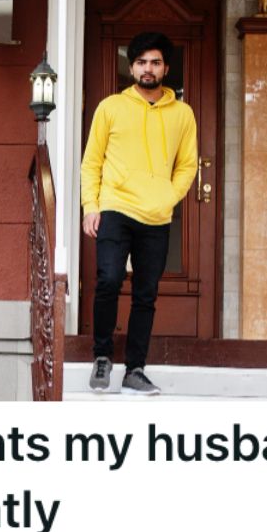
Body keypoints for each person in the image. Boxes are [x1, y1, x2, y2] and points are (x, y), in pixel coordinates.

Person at [80, 31, 197, 394]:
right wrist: (91, 206)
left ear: (166, 68)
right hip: (115, 208)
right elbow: (91, 162)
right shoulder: (110, 107)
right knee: (109, 280)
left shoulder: (182, 114)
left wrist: (168, 197)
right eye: (142, 62)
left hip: (156, 218)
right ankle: (102, 357)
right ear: (131, 66)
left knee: (146, 294)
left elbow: (188, 164)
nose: (148, 69)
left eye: (155, 62)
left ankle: (135, 369)